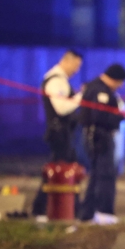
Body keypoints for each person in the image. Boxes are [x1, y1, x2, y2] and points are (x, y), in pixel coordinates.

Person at [32, 50, 83, 216]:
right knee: (63, 171)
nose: (76, 70)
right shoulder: (55, 81)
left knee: (57, 172)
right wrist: (81, 97)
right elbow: (60, 108)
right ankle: (46, 209)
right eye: (76, 66)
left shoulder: (61, 81)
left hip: (63, 133)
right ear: (67, 61)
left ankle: (44, 209)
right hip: (59, 133)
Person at [79, 64, 125, 222]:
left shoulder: (93, 87)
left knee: (96, 175)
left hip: (94, 137)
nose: (119, 86)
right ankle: (104, 212)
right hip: (100, 137)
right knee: (105, 175)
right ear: (115, 79)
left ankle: (88, 212)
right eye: (119, 83)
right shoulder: (101, 91)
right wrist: (121, 116)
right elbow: (100, 117)